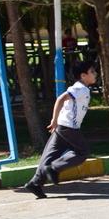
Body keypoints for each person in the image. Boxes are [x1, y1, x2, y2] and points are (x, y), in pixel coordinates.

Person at [23, 60, 98, 199]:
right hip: (69, 126)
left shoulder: (82, 88)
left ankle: (35, 183)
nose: (95, 74)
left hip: (63, 126)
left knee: (49, 156)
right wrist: (54, 120)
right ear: (83, 75)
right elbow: (61, 98)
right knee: (82, 152)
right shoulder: (80, 88)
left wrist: (57, 122)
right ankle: (54, 168)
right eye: (92, 72)